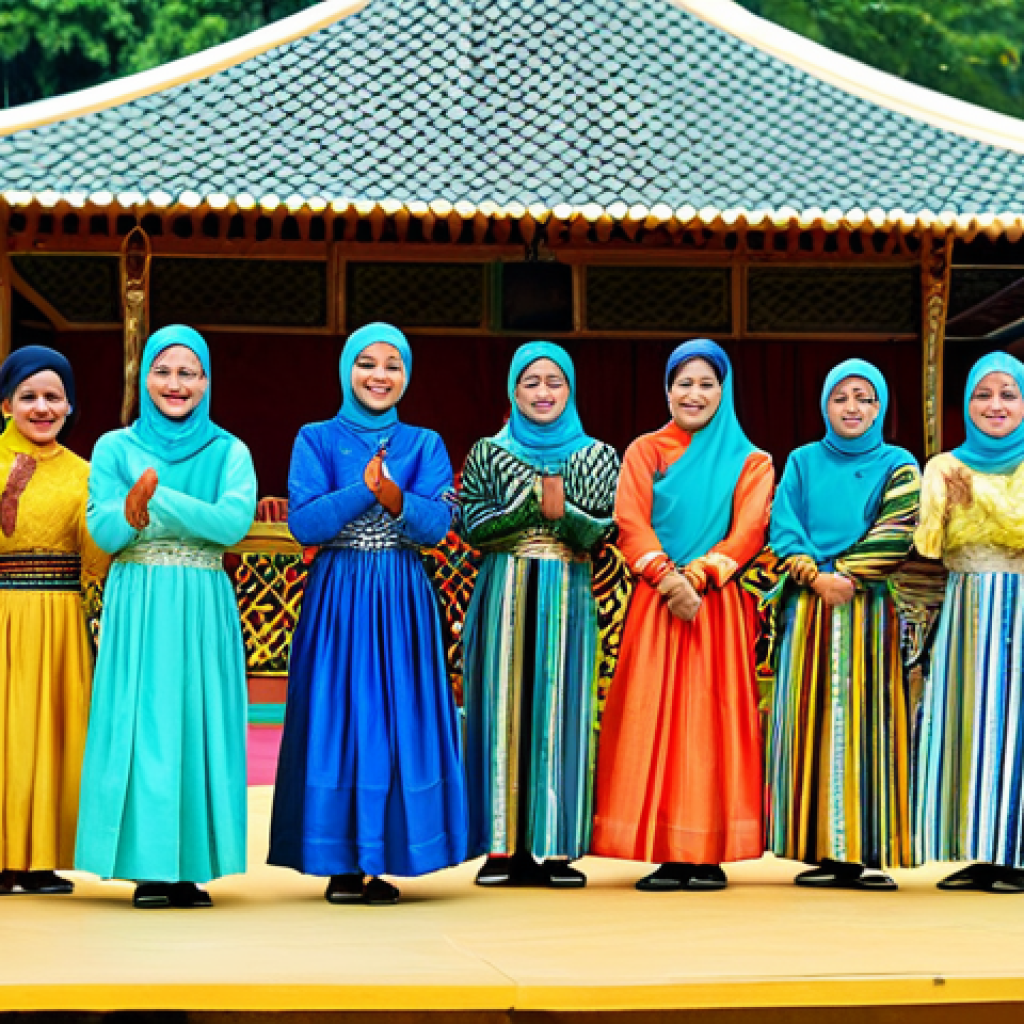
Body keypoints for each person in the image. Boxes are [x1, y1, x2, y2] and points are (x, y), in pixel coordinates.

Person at [269, 323, 467, 906]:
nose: (379, 376)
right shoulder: (316, 437)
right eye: (366, 363)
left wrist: (394, 498)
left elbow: (436, 528)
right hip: (339, 595)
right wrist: (365, 490)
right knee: (338, 715)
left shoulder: (424, 443)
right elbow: (306, 524)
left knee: (397, 717)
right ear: (346, 370)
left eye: (392, 365)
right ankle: (339, 860)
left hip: (403, 596)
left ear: (407, 375)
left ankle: (388, 857)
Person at [75, 325, 257, 909]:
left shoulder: (230, 450)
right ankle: (150, 868)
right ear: (143, 375)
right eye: (163, 371)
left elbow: (232, 526)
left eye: (188, 373)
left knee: (198, 723)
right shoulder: (113, 447)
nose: (175, 384)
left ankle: (193, 868)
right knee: (143, 724)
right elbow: (104, 532)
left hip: (202, 601)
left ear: (207, 381)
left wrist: (153, 499)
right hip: (141, 602)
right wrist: (134, 513)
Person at [591, 339, 772, 891]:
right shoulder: (644, 451)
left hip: (716, 607)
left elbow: (748, 533)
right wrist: (669, 579)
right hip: (658, 601)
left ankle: (708, 851)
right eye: (683, 383)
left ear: (725, 390)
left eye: (706, 384)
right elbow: (630, 521)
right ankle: (667, 849)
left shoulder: (753, 460)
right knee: (657, 719)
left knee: (711, 723)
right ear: (666, 389)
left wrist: (697, 579)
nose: (694, 394)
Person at [745, 359, 920, 890]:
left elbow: (899, 528)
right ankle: (820, 849)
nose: (852, 408)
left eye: (864, 398)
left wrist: (844, 573)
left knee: (872, 724)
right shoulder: (801, 461)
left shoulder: (900, 463)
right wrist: (815, 577)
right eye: (841, 397)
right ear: (825, 404)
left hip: (869, 611)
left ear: (880, 407)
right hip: (809, 606)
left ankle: (869, 851)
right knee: (810, 722)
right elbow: (784, 525)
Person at [461, 341, 619, 888]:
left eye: (555, 382)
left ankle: (557, 847)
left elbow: (603, 531)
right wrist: (531, 506)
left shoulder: (597, 454)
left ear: (570, 390)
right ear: (513, 391)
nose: (544, 392)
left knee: (562, 709)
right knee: (500, 710)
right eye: (531, 382)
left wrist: (566, 513)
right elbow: (472, 527)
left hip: (567, 594)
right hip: (503, 587)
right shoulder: (488, 450)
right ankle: (500, 847)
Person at [914, 351, 1024, 894]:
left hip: (1023, 602)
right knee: (970, 723)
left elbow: (1022, 526)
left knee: (1017, 725)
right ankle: (983, 851)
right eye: (983, 394)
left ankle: (1020, 856)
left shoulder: (958, 472)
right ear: (966, 403)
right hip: (966, 603)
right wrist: (983, 508)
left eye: (1008, 393)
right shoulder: (941, 464)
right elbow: (931, 540)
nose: (995, 405)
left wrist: (974, 494)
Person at [0, 346, 107, 896]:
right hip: (3, 617)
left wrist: (124, 510)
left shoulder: (86, 473)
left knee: (54, 735)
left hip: (62, 617)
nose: (42, 408)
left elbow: (95, 557)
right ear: (5, 405)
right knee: (5, 734)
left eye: (53, 397)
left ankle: (42, 859)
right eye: (28, 397)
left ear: (69, 406)